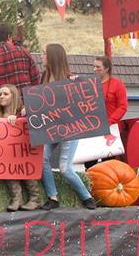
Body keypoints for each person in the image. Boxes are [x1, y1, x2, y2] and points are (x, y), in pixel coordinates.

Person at [38, 44, 96, 210]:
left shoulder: (70, 79)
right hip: (52, 127)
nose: (41, 56)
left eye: (44, 53)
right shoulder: (43, 77)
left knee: (64, 168)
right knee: (42, 160)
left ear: (52, 57)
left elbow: (88, 93)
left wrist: (78, 83)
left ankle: (86, 197)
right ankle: (53, 197)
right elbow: (39, 101)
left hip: (70, 128)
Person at [0, 84, 42, 212]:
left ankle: (35, 198)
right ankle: (17, 198)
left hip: (24, 151)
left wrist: (19, 118)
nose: (1, 97)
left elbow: (36, 120)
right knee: (9, 170)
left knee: (26, 168)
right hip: (7, 153)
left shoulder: (22, 111)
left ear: (14, 96)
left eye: (5, 94)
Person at [84, 55, 129, 169]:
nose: (95, 69)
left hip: (110, 130)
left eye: (98, 67)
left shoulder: (117, 84)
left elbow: (122, 106)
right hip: (93, 129)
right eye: (94, 67)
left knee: (108, 164)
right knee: (89, 164)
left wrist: (110, 121)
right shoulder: (90, 84)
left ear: (107, 68)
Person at [0, 23, 40, 99]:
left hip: (1, 106)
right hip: (24, 104)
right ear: (9, 37)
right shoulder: (23, 52)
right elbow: (36, 79)